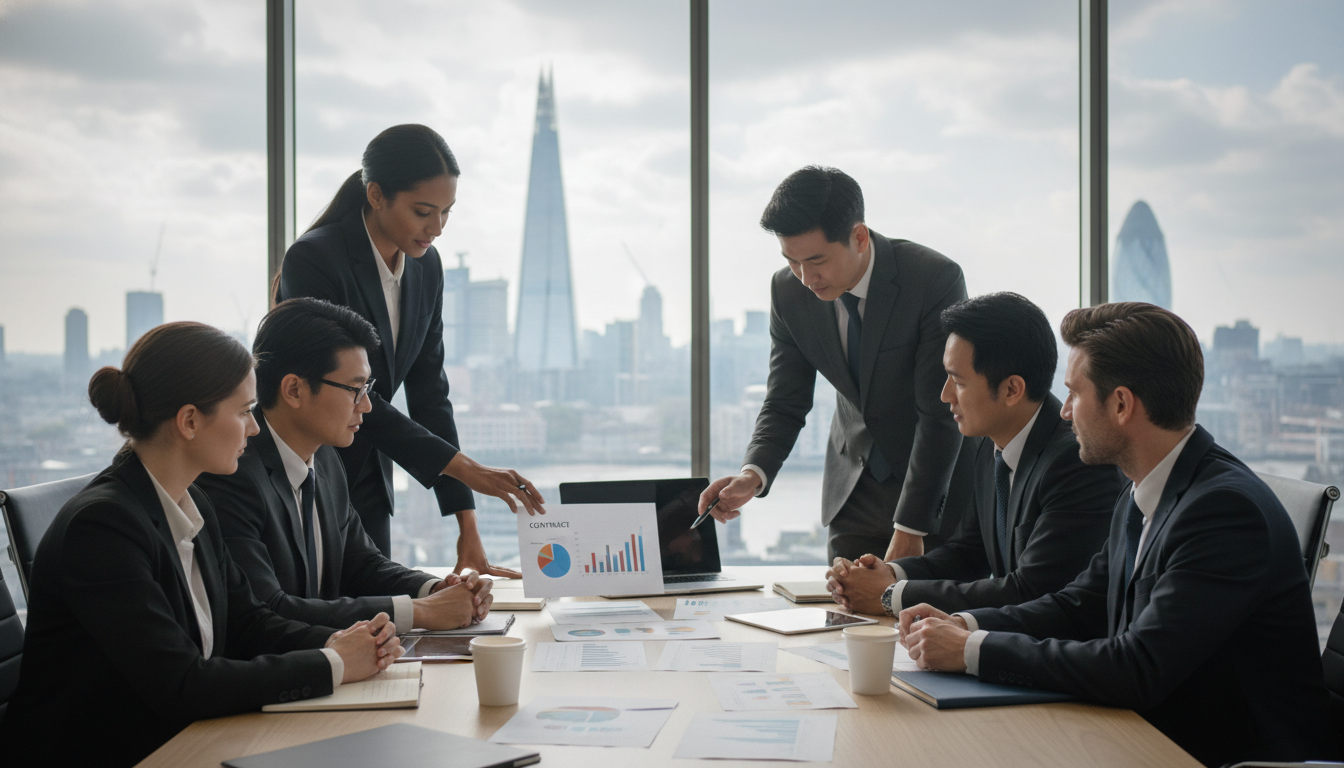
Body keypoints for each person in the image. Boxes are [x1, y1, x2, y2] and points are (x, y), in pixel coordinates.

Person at [899, 302, 1337, 767]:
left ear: (1122, 404)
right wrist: (964, 625)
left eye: (1074, 394)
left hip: (1222, 755)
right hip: (1147, 732)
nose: (1063, 413)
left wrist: (971, 650)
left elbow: (1138, 666)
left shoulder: (1223, 511)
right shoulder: (1141, 490)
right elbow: (1078, 605)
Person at [0, 322, 403, 768]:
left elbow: (250, 623)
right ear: (190, 421)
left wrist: (344, 641)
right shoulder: (103, 527)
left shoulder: (194, 505)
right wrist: (333, 663)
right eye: (245, 411)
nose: (254, 429)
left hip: (182, 739)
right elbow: (181, 684)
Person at [275, 123, 543, 569]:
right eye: (423, 211)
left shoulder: (426, 267)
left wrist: (467, 528)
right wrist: (468, 469)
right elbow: (352, 394)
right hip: (308, 474)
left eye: (446, 212)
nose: (436, 228)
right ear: (377, 195)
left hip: (368, 477)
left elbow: (429, 392)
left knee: (381, 616)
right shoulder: (315, 259)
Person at [697, 165, 967, 561]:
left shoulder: (932, 278)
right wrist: (752, 475)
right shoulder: (787, 291)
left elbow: (940, 411)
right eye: (792, 261)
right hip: (852, 492)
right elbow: (785, 401)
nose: (806, 277)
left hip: (932, 492)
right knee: (845, 618)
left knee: (926, 618)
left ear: (858, 236)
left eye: (816, 260)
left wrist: (912, 526)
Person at [197, 298, 493, 630]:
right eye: (355, 389)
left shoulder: (324, 458)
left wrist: (437, 589)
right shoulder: (232, 473)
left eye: (367, 388)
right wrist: (421, 612)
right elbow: (268, 610)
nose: (366, 406)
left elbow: (362, 564)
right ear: (294, 390)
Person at [826, 292, 1122, 616]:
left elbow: (1032, 590)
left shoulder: (1076, 462)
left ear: (1012, 390)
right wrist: (892, 574)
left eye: (958, 382)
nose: (945, 395)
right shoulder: (985, 441)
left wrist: (891, 596)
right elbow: (969, 552)